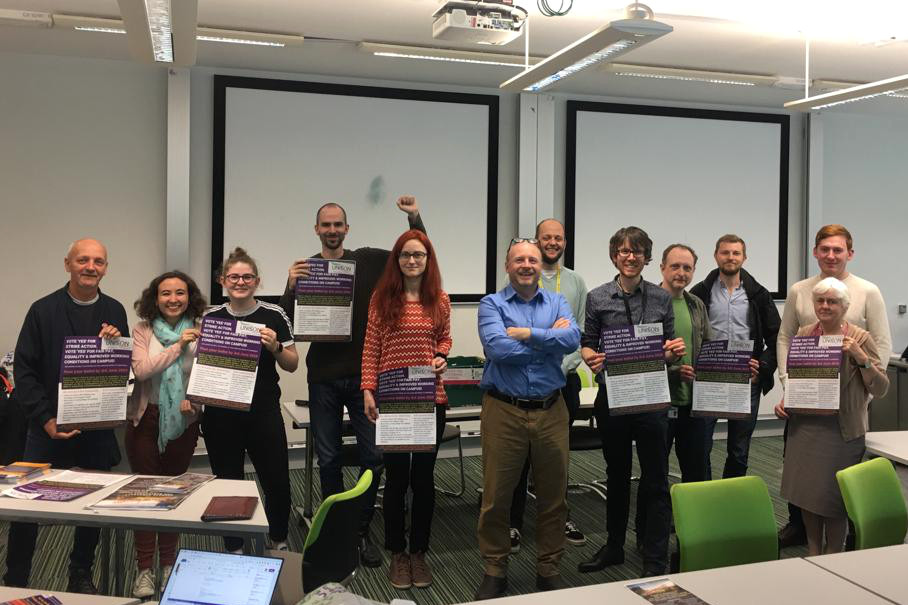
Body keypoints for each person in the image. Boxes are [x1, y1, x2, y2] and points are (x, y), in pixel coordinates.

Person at [278, 196, 425, 566]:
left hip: (364, 378)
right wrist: (290, 286)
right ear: (316, 230)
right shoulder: (307, 270)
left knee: (373, 458)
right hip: (324, 379)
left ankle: (359, 530)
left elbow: (417, 251)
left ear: (347, 228)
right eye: (325, 225)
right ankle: (333, 530)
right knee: (327, 460)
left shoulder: (368, 261)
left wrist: (414, 217)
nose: (331, 230)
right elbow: (288, 325)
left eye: (337, 224)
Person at [4, 238, 128, 593]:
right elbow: (24, 372)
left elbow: (117, 368)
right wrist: (45, 419)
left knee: (91, 508)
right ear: (67, 264)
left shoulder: (115, 310)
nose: (91, 267)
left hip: (95, 431)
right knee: (25, 508)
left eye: (99, 262)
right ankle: (15, 579)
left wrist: (115, 343)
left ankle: (80, 572)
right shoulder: (42, 310)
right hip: (46, 429)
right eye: (83, 260)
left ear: (106, 268)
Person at [474, 239, 580, 600]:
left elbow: (573, 338)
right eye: (519, 259)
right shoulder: (491, 304)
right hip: (504, 410)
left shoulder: (557, 301)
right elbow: (497, 348)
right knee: (497, 496)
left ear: (540, 266)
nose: (526, 264)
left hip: (552, 408)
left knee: (554, 496)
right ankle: (494, 568)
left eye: (532, 259)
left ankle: (548, 569)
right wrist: (549, 339)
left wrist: (528, 334)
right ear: (507, 265)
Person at [578, 227, 685, 578]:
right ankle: (614, 547)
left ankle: (655, 554)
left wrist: (672, 353)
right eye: (623, 251)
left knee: (655, 479)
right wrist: (590, 356)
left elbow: (669, 349)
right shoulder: (597, 297)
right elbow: (588, 343)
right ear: (614, 256)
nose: (630, 256)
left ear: (646, 258)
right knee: (617, 475)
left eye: (637, 251)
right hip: (614, 398)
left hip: (652, 398)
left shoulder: (660, 298)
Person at [776, 224, 892, 547]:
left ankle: (837, 555)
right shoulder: (804, 330)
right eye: (821, 302)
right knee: (809, 495)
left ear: (845, 306)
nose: (826, 306)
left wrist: (862, 364)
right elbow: (786, 343)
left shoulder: (860, 328)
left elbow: (881, 369)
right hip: (806, 425)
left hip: (842, 424)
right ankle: (815, 552)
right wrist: (788, 393)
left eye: (833, 303)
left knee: (835, 499)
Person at [361, 230, 452, 590]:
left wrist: (441, 355)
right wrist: (368, 389)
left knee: (424, 480)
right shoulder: (382, 298)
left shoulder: (439, 299)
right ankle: (398, 553)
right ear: (396, 260)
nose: (412, 261)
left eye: (419, 255)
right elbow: (371, 347)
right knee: (397, 480)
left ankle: (419, 553)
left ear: (428, 260)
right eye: (405, 255)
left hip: (430, 399)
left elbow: (444, 337)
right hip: (394, 399)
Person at [204, 247, 299, 553]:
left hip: (263, 412)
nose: (240, 282)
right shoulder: (211, 317)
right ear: (223, 281)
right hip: (221, 415)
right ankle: (234, 544)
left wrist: (276, 347)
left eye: (247, 277)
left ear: (257, 281)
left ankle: (278, 539)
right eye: (234, 276)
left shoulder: (274, 315)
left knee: (276, 481)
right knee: (227, 483)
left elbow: (292, 363)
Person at [509, 219, 589, 554]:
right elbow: (512, 331)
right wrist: (551, 339)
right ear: (537, 241)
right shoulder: (520, 276)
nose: (552, 242)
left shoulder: (575, 281)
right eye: (546, 238)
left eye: (558, 238)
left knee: (555, 458)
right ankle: (513, 523)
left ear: (564, 242)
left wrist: (557, 360)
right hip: (524, 382)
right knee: (519, 457)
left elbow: (578, 332)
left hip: (563, 382)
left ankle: (559, 519)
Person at [127, 271, 207, 598]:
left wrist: (198, 405)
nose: (173, 299)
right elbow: (143, 370)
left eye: (180, 293)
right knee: (145, 496)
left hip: (184, 423)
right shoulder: (143, 331)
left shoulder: (202, 332)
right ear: (155, 298)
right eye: (165, 293)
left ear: (190, 297)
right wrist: (178, 346)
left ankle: (168, 565)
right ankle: (144, 569)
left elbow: (208, 378)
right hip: (145, 420)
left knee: (172, 495)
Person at [689, 234, 780, 479]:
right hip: (709, 379)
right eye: (725, 252)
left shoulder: (758, 295)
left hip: (745, 380)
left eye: (736, 253)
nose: (731, 257)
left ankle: (732, 498)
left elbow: (776, 338)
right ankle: (704, 498)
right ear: (716, 256)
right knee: (701, 447)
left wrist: (762, 366)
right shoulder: (700, 293)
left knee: (739, 451)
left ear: (744, 257)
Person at [659, 244, 715, 482]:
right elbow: (639, 357)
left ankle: (695, 519)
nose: (681, 272)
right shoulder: (649, 303)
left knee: (697, 470)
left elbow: (709, 347)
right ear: (662, 268)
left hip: (694, 403)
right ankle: (659, 520)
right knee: (657, 471)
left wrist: (737, 369)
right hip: (660, 403)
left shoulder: (696, 304)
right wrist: (672, 371)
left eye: (687, 268)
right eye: (675, 266)